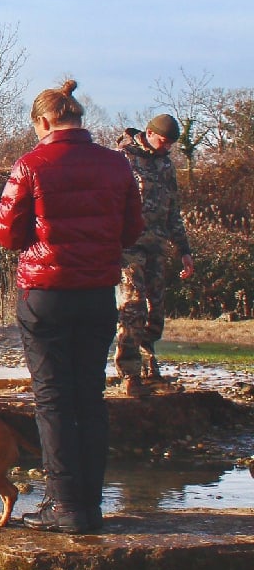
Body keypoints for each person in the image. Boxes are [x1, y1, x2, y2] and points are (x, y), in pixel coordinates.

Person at [0, 80, 142, 534]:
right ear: (78, 117)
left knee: (53, 400)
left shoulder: (30, 165)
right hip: (97, 293)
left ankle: (63, 505)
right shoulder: (117, 165)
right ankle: (89, 506)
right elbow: (131, 230)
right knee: (89, 398)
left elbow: (5, 233)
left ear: (42, 122)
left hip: (46, 295)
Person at [115, 114, 195, 395]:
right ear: (148, 133)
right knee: (133, 305)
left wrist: (184, 250)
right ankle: (129, 373)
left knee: (155, 310)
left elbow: (173, 211)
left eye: (171, 143)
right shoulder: (122, 159)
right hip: (129, 246)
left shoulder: (166, 165)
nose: (167, 147)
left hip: (157, 247)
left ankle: (150, 365)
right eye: (163, 141)